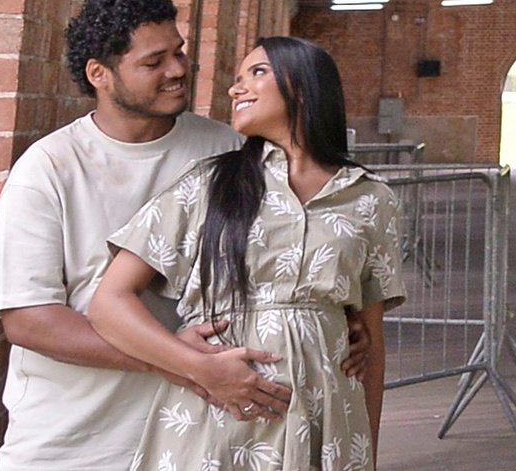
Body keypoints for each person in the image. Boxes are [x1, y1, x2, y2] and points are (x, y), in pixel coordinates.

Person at [0, 0, 293, 471]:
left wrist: (339, 323)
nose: (178, 69)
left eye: (179, 51)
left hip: (200, 436)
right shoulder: (48, 169)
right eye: (155, 62)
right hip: (71, 443)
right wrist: (183, 363)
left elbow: (286, 257)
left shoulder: (230, 152)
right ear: (99, 75)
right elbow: (28, 320)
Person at [88, 37, 403, 471]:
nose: (236, 89)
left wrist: (366, 452)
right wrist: (196, 368)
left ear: (306, 86)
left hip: (326, 423)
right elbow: (109, 303)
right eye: (236, 79)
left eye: (257, 73)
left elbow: (373, 342)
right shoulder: (208, 185)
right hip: (219, 420)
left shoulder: (370, 198)